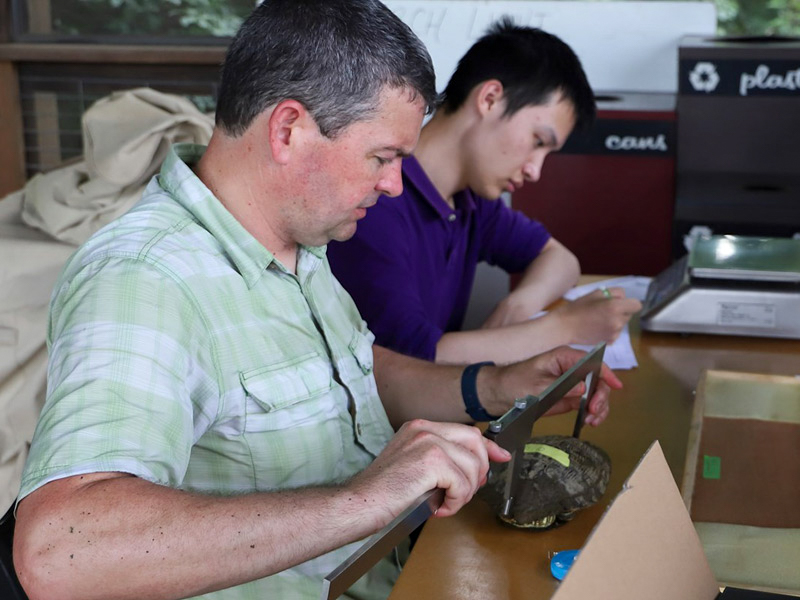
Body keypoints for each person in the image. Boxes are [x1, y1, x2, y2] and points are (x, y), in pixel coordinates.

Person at [12, 3, 621, 600]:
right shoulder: (143, 279)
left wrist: (495, 385)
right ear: (288, 130)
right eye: (382, 157)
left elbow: (347, 378)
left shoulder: (300, 241)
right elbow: (61, 554)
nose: (393, 185)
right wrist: (368, 499)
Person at [328, 20, 642, 366]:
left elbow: (561, 261)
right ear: (490, 99)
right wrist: (565, 327)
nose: (535, 170)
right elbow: (412, 365)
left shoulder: (471, 200)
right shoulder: (378, 200)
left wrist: (517, 306)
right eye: (538, 142)